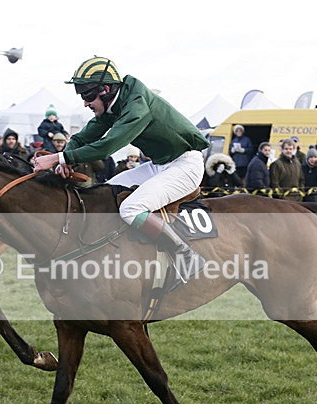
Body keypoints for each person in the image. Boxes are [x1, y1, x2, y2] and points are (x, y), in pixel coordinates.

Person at [31, 56, 210, 287]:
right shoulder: (114, 102)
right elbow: (82, 137)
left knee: (130, 208)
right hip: (159, 164)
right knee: (105, 192)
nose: (85, 103)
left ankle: (186, 256)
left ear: (105, 89)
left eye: (87, 95)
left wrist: (59, 157)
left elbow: (108, 146)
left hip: (185, 165)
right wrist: (66, 157)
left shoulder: (136, 103)